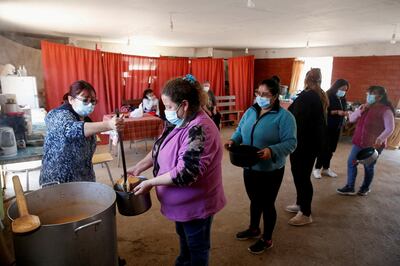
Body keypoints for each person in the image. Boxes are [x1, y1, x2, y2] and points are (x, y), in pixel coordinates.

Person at [128, 74, 226, 266]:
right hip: (182, 205)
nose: (166, 111)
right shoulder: (179, 121)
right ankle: (183, 261)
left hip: (197, 205)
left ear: (185, 104)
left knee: (197, 247)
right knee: (185, 239)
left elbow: (185, 172)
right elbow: (160, 147)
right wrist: (139, 166)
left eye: (169, 107)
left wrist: (150, 182)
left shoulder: (200, 129)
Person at [225, 79, 297, 254]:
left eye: (265, 94)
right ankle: (254, 228)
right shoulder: (250, 111)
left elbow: (291, 143)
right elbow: (240, 130)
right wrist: (233, 140)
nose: (260, 97)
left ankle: (267, 238)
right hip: (249, 166)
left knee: (266, 203)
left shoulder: (284, 117)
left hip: (270, 169)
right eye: (258, 93)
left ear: (274, 96)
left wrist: (272, 150)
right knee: (254, 200)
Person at [39, 80, 124, 185]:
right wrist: (108, 125)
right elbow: (70, 129)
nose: (90, 104)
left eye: (93, 101)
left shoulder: (86, 120)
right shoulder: (57, 115)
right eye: (85, 100)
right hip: (58, 180)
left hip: (82, 179)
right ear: (71, 99)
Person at [286, 68, 328, 226]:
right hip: (309, 143)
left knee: (302, 177)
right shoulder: (316, 94)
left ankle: (306, 212)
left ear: (306, 79)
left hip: (304, 144)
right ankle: (300, 203)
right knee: (299, 175)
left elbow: (296, 118)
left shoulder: (308, 96)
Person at [337, 86, 395, 196]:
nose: (369, 96)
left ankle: (365, 187)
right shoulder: (364, 107)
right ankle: (350, 187)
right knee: (351, 162)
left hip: (373, 145)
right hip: (359, 141)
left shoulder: (386, 110)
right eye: (368, 93)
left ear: (380, 96)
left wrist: (380, 139)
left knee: (368, 166)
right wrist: (360, 110)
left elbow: (390, 128)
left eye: (373, 94)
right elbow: (352, 119)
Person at [313, 79, 350, 179]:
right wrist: (337, 112)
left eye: (345, 90)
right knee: (324, 148)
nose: (343, 91)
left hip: (337, 127)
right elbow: (323, 111)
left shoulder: (342, 98)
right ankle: (317, 168)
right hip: (327, 126)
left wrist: (345, 114)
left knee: (331, 149)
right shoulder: (327, 95)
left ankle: (326, 168)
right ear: (336, 87)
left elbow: (344, 109)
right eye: (342, 89)